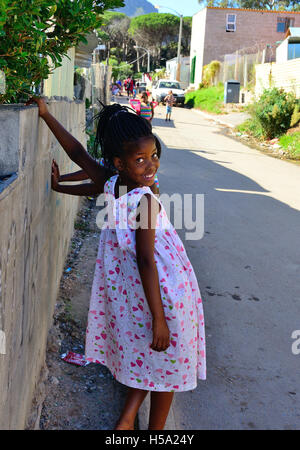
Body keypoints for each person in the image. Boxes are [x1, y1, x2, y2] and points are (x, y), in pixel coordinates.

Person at [25, 97, 206, 430]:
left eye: (154, 156)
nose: (151, 166)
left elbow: (79, 155)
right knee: (170, 370)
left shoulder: (116, 182)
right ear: (120, 163)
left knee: (150, 356)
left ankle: (125, 420)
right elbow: (146, 261)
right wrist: (160, 319)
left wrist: (47, 117)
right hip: (165, 293)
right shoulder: (145, 200)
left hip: (140, 292)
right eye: (140, 160)